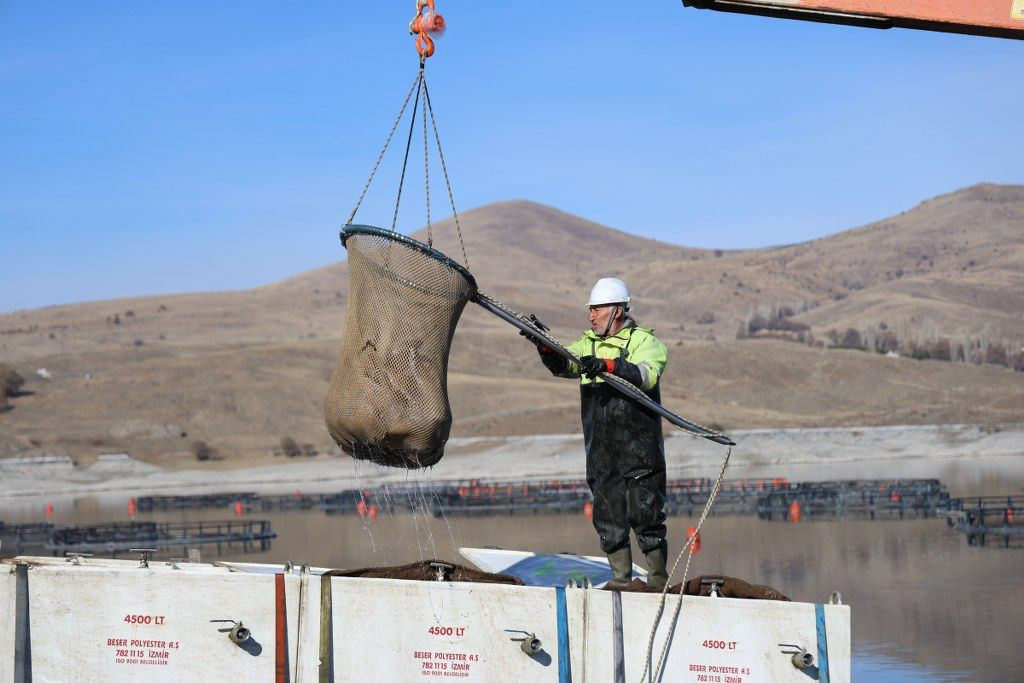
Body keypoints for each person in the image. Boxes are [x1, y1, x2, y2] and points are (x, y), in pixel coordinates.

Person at [524, 277, 670, 589]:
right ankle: (621, 578)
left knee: (646, 510)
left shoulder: (644, 342)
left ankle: (657, 578)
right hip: (601, 448)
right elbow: (564, 364)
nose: (591, 316)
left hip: (640, 446)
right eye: (590, 310)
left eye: (597, 309)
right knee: (607, 513)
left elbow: (647, 375)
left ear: (617, 310)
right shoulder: (585, 344)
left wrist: (608, 365)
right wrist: (544, 346)